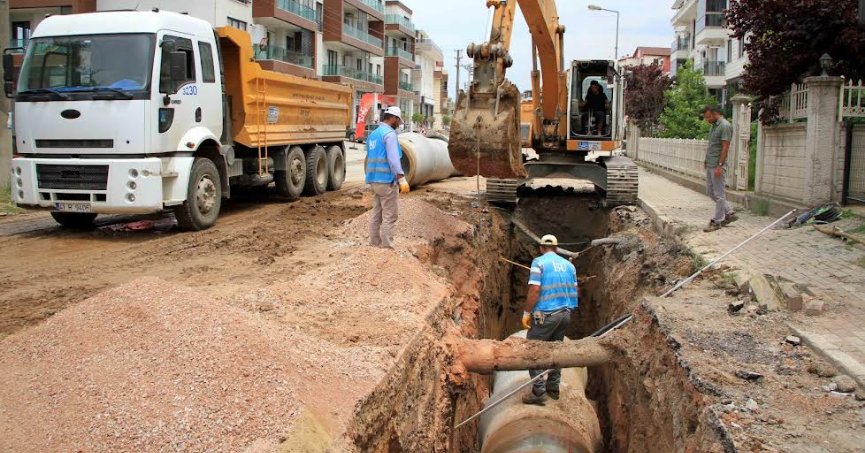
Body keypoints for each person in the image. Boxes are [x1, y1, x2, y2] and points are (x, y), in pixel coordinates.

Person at [521, 234, 579, 405]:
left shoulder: (539, 262)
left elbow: (535, 290)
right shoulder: (569, 266)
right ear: (556, 247)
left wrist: (526, 313)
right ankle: (553, 387)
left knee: (533, 350)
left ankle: (539, 391)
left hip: (546, 315)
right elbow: (576, 290)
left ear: (541, 247)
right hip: (565, 314)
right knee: (556, 349)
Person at [365, 106, 410, 248]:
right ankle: (387, 247)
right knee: (390, 215)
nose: (398, 123)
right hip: (386, 181)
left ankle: (374, 243)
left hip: (373, 179)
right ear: (393, 118)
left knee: (376, 213)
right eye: (398, 120)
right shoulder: (389, 134)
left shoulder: (374, 134)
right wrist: (401, 178)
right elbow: (393, 159)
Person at [702, 105, 737, 232]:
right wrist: (706, 160)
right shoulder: (713, 126)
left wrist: (720, 166)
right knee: (711, 192)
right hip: (711, 164)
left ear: (715, 113)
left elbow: (725, 147)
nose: (707, 120)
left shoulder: (725, 126)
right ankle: (729, 211)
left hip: (718, 165)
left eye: (708, 117)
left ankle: (717, 221)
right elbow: (712, 145)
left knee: (719, 194)